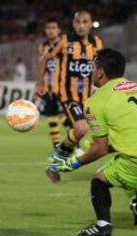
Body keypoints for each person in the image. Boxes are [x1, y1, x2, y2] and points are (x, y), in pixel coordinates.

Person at [47, 48, 137, 236]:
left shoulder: (95, 102)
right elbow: (134, 137)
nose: (92, 71)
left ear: (101, 72)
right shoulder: (133, 86)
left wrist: (73, 163)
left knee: (99, 179)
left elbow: (100, 148)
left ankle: (103, 225)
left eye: (94, 67)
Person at [42, 10, 104, 182]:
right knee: (81, 129)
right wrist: (40, 83)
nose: (81, 25)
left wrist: (98, 87)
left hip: (88, 97)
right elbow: (46, 57)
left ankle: (54, 164)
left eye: (85, 22)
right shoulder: (65, 41)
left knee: (102, 137)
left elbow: (100, 68)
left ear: (91, 24)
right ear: (73, 24)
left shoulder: (97, 43)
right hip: (68, 96)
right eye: (78, 22)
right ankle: (56, 162)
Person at [36, 19, 69, 148]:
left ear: (59, 30)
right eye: (48, 28)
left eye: (54, 27)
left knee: (65, 117)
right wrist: (38, 85)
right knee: (51, 118)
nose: (51, 30)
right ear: (45, 30)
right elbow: (41, 66)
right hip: (48, 88)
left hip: (62, 87)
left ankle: (76, 146)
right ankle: (57, 148)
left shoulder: (65, 44)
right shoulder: (43, 46)